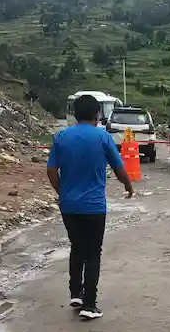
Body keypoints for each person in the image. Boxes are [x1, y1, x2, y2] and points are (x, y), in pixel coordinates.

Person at [46, 94, 134, 320]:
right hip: (94, 206)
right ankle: (90, 304)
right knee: (93, 252)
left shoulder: (61, 136)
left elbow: (51, 170)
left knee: (77, 247)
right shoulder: (102, 137)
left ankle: (75, 293)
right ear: (97, 114)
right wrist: (128, 186)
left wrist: (62, 192)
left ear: (75, 114)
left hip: (69, 206)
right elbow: (119, 167)